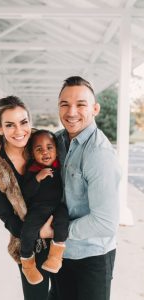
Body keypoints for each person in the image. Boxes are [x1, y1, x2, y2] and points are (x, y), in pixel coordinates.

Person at [49, 76, 121, 300]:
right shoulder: (57, 142)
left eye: (80, 104)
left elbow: (105, 223)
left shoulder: (99, 154)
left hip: (92, 258)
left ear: (95, 109)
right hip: (61, 254)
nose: (71, 112)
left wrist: (55, 231)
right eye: (64, 104)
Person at [0, 96, 55, 300]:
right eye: (10, 125)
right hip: (30, 243)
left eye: (23, 122)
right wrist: (40, 232)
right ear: (0, 129)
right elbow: (7, 218)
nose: (19, 130)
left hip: (62, 233)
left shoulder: (43, 143)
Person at [20, 129, 69, 285]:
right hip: (38, 209)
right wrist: (37, 178)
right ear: (32, 154)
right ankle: (27, 263)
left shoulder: (61, 167)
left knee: (63, 221)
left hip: (56, 206)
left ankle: (55, 257)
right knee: (27, 232)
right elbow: (25, 194)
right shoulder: (32, 170)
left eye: (50, 147)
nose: (45, 152)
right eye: (39, 149)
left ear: (56, 150)